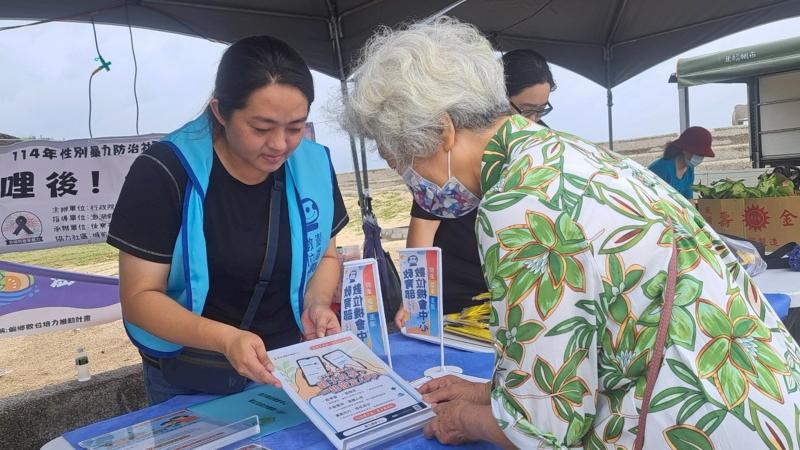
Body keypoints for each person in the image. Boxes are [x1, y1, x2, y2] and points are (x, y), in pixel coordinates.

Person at [343, 17, 800, 449]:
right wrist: (491, 393)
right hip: (756, 401)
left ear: (442, 130)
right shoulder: (566, 154)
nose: (410, 178)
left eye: (400, 159)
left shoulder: (519, 203)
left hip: (698, 425)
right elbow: (578, 342)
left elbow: (546, 429)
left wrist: (464, 419)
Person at [108, 35, 348, 404]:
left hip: (285, 365)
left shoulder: (313, 165)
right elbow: (140, 298)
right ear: (220, 112)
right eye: (261, 128)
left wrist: (316, 305)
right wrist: (225, 339)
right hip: (191, 374)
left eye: (295, 127)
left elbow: (326, 257)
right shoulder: (165, 172)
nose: (280, 145)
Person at [397, 49, 557, 327]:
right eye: (524, 110)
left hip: (509, 291)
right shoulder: (446, 157)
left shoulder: (541, 154)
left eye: (540, 111)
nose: (530, 122)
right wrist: (414, 299)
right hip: (457, 292)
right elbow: (422, 229)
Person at [648, 126, 715, 199]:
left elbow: (688, 200)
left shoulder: (689, 171)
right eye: (698, 154)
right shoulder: (662, 168)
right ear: (685, 150)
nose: (700, 158)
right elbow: (653, 199)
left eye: (702, 155)